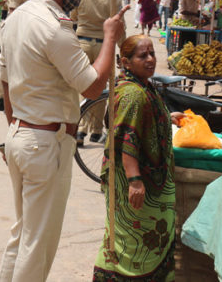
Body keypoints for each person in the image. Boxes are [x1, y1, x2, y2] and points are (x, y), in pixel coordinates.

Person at [0, 0, 127, 282]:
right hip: (45, 143)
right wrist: (110, 37)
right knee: (37, 244)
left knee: (23, 234)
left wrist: (15, 129)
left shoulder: (18, 17)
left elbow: (6, 84)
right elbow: (91, 86)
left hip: (23, 136)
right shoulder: (55, 25)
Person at [92, 34, 181, 282]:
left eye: (152, 53)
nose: (151, 59)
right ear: (126, 62)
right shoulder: (133, 94)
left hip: (148, 182)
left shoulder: (142, 86)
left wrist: (166, 116)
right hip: (138, 182)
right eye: (143, 56)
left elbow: (143, 119)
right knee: (131, 243)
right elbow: (126, 138)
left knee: (144, 239)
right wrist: (135, 181)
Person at [70, 0, 123, 146]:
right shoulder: (115, 0)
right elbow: (120, 30)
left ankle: (79, 129)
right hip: (104, 47)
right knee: (101, 89)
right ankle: (96, 130)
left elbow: (72, 18)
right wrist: (124, 52)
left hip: (82, 44)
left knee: (81, 88)